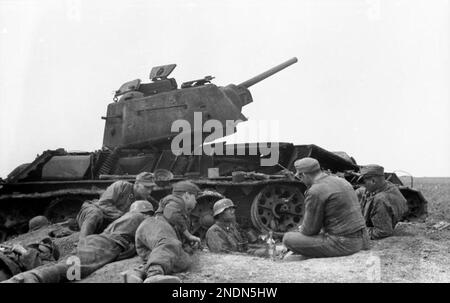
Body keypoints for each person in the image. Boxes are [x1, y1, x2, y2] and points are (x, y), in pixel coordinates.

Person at [4, 200, 154, 283]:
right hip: (107, 244)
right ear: (147, 212)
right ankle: (25, 279)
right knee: (73, 267)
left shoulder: (127, 218)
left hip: (98, 241)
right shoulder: (141, 218)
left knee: (69, 267)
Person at [282, 157, 369, 259]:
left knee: (288, 238)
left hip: (345, 244)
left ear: (304, 175)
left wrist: (300, 230)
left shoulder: (315, 191)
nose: (298, 177)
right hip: (364, 239)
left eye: (299, 175)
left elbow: (309, 231)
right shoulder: (342, 181)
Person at [122, 181, 201, 283]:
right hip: (155, 226)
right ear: (186, 195)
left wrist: (188, 246)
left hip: (154, 241)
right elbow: (171, 214)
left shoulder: (181, 213)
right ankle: (154, 275)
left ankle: (137, 274)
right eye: (195, 197)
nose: (196, 202)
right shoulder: (176, 201)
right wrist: (188, 235)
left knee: (181, 259)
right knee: (170, 244)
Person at [76, 172, 155, 238]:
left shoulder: (143, 201)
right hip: (92, 212)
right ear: (137, 184)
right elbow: (103, 204)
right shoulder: (121, 186)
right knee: (95, 213)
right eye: (146, 187)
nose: (149, 192)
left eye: (151, 188)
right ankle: (82, 242)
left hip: (106, 223)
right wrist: (123, 216)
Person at [356, 165, 408, 240]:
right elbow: (363, 192)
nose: (364, 185)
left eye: (364, 182)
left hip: (378, 227)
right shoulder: (386, 185)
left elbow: (382, 232)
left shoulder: (380, 200)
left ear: (373, 181)